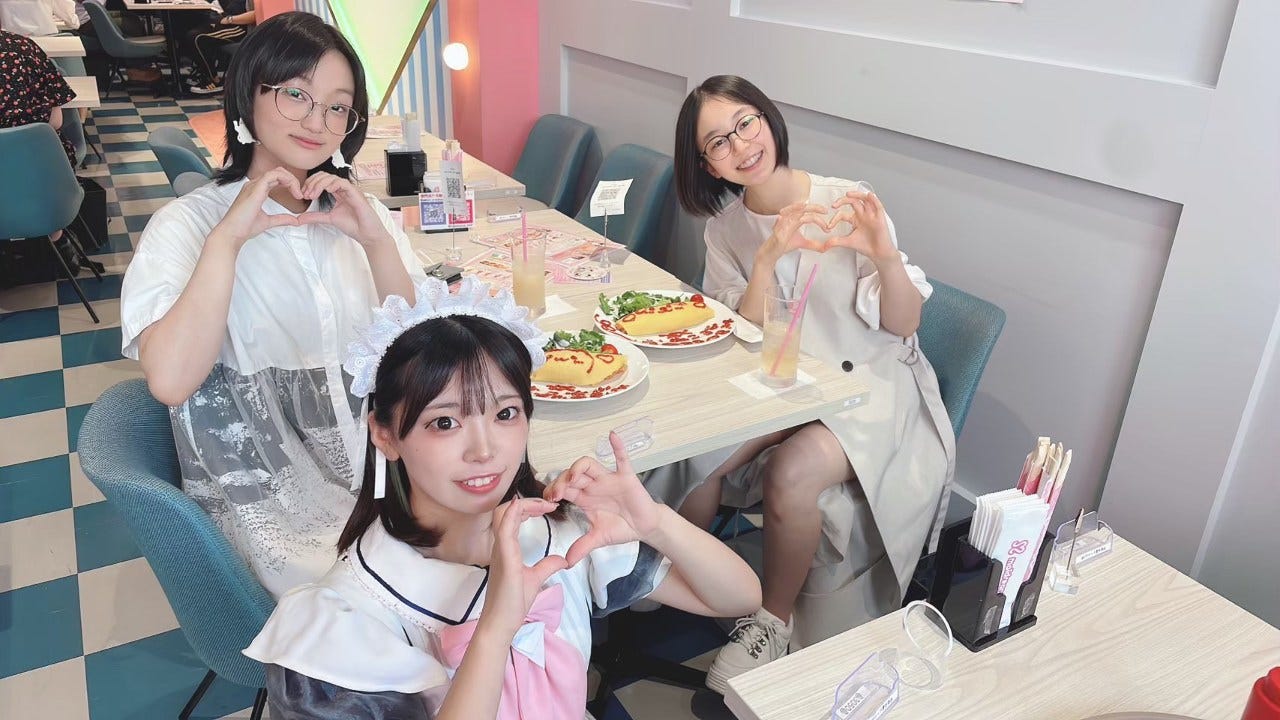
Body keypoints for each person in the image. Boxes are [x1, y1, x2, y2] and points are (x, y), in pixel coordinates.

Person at [244, 277, 762, 719]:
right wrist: (495, 629)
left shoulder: (558, 534)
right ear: (385, 435)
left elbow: (738, 598)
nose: (485, 450)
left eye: (505, 414)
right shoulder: (345, 620)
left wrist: (655, 522)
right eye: (444, 422)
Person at [117, 12, 422, 598]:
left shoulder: (361, 218)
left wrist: (377, 243)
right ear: (247, 95)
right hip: (272, 508)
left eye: (337, 107)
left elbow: (421, 351)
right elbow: (172, 381)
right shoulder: (188, 226)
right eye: (295, 95)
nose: (317, 122)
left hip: (387, 478)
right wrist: (226, 243)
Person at [666, 75, 955, 691]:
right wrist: (766, 258)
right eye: (718, 142)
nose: (742, 146)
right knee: (698, 452)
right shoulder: (725, 230)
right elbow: (743, 338)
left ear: (767, 119)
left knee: (792, 470)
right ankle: (669, 579)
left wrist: (884, 255)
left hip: (869, 390)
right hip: (781, 385)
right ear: (707, 164)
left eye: (746, 123)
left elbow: (904, 324)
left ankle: (769, 624)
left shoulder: (847, 200)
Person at [181, 0, 255, 95]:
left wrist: (229, 19)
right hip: (221, 17)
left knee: (197, 37)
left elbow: (257, 14)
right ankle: (201, 73)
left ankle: (213, 80)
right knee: (185, 27)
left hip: (238, 26)